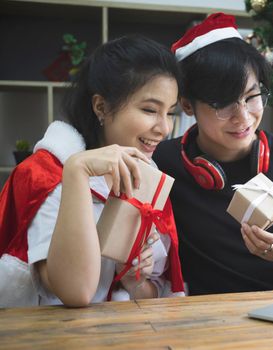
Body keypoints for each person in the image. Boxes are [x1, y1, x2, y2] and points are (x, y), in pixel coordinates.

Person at [153, 13, 273, 295]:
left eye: (251, 97)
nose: (243, 117)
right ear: (187, 105)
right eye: (223, 103)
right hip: (213, 320)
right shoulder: (164, 162)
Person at [0, 35, 184, 307]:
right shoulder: (45, 175)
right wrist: (77, 169)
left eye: (170, 112)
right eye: (149, 109)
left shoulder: (147, 178)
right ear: (101, 106)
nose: (165, 128)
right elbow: (76, 292)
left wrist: (135, 282)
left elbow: (157, 293)